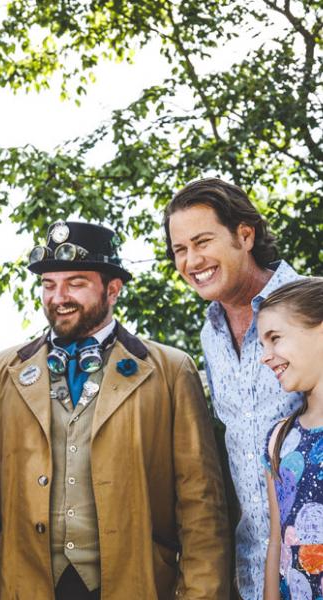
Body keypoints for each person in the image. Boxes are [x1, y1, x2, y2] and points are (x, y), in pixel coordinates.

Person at [0, 221, 230, 600]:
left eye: (75, 284)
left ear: (113, 289)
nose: (58, 297)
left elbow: (201, 507)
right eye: (49, 285)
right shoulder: (5, 370)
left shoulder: (170, 370)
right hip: (24, 586)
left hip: (137, 586)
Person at [165, 178, 304, 599]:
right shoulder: (210, 334)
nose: (192, 260)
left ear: (245, 235)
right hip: (252, 574)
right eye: (179, 250)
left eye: (202, 241)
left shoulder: (314, 310)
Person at [257, 278, 323, 600]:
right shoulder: (279, 438)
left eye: (275, 338)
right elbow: (276, 542)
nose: (265, 356)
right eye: (262, 345)